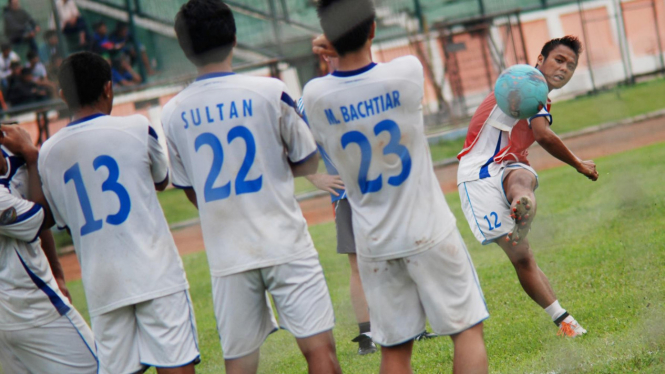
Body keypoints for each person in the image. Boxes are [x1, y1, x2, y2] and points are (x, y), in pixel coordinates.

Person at [304, 1, 489, 373]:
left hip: (373, 241)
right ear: (372, 29)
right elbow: (369, 57)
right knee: (467, 330)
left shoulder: (315, 95)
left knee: (394, 349)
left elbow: (336, 64)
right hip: (428, 230)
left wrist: (334, 41)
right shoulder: (406, 73)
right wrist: (339, 37)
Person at [163, 1, 341, 373]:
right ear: (234, 38)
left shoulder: (173, 111)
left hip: (228, 254)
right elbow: (306, 158)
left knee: (240, 365)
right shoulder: (270, 91)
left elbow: (188, 188)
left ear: (185, 48)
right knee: (320, 353)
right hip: (285, 240)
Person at [38, 52, 199, 374]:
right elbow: (161, 179)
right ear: (108, 88)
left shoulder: (48, 153)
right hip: (156, 273)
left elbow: (62, 221)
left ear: (63, 96)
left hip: (102, 284)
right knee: (176, 367)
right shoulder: (138, 126)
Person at [456, 36, 598, 338]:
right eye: (559, 60)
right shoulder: (527, 83)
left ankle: (522, 202)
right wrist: (579, 163)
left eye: (571, 66)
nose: (564, 69)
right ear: (540, 59)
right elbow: (543, 135)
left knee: (524, 178)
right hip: (479, 173)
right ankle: (522, 203)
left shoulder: (533, 89)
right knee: (522, 255)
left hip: (509, 163)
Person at [0, 125, 98, 373]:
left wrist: (58, 275)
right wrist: (32, 157)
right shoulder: (22, 156)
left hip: (17, 311)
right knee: (102, 367)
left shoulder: (11, 149)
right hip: (30, 307)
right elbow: (41, 218)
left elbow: (34, 211)